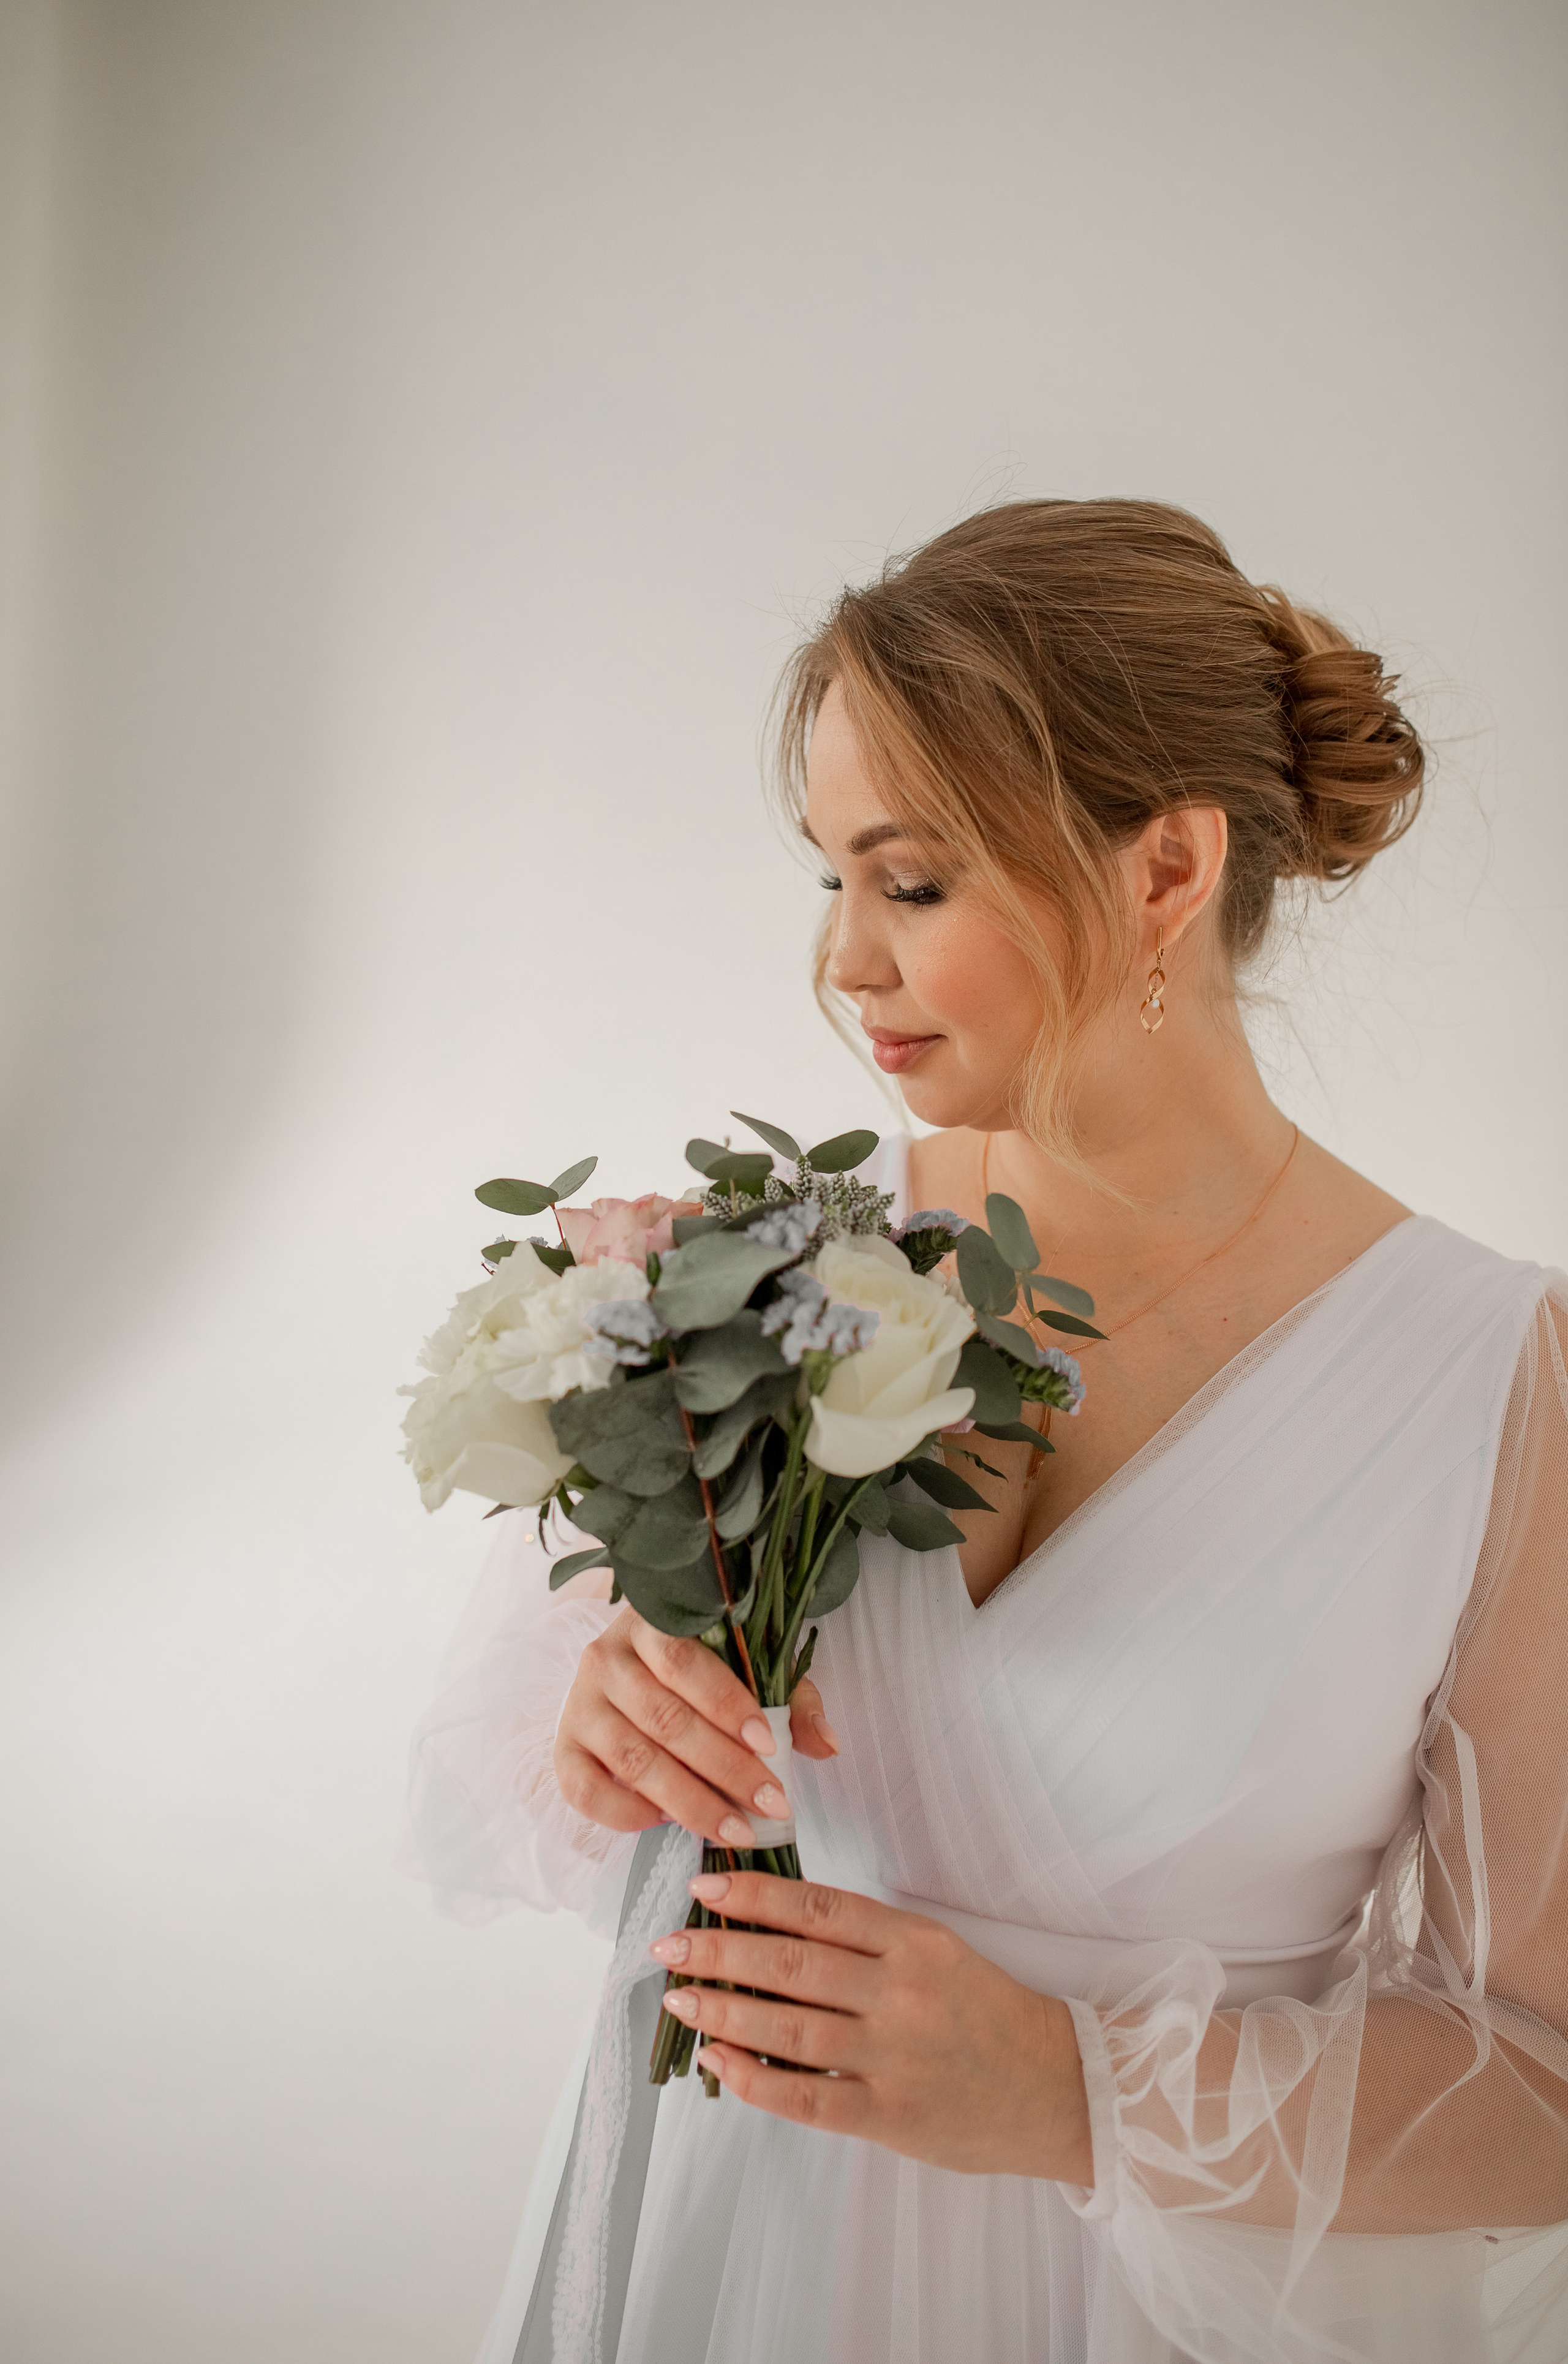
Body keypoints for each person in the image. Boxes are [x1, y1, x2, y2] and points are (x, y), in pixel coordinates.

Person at [410, 500, 1568, 2363]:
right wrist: (609, 1726)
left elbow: (1551, 2081)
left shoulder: (1492, 1380)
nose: (841, 966)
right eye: (828, 879)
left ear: (1167, 867)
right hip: (720, 2254)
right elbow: (514, 1798)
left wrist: (1070, 2090)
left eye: (915, 882)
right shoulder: (757, 1268)